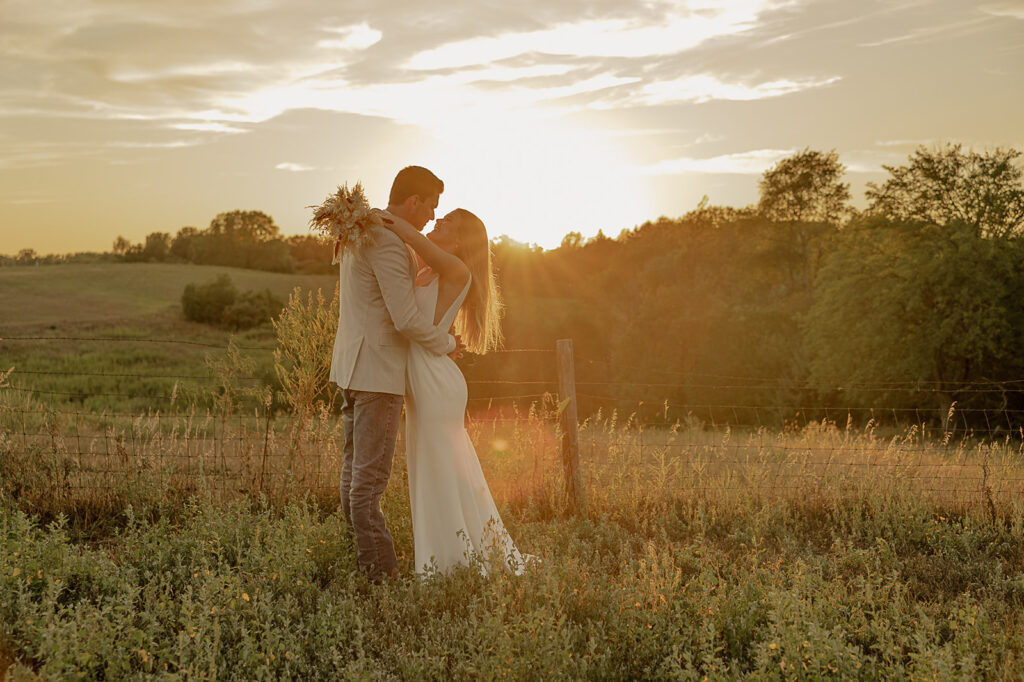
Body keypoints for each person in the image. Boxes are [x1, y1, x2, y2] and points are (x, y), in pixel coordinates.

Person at [381, 208, 530, 575]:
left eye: (446, 222)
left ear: (462, 240)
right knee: (432, 469)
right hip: (425, 377)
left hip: (436, 383)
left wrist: (376, 216)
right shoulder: (427, 268)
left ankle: (447, 565)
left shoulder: (456, 269)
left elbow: (412, 237)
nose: (436, 223)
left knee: (439, 471)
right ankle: (450, 556)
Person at [329, 166, 459, 581]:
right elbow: (404, 319)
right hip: (378, 376)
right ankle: (381, 576)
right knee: (367, 484)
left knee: (354, 477)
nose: (429, 217)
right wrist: (447, 344)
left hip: (352, 369)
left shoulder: (361, 230)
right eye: (430, 206)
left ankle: (365, 565)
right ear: (415, 200)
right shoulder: (385, 241)